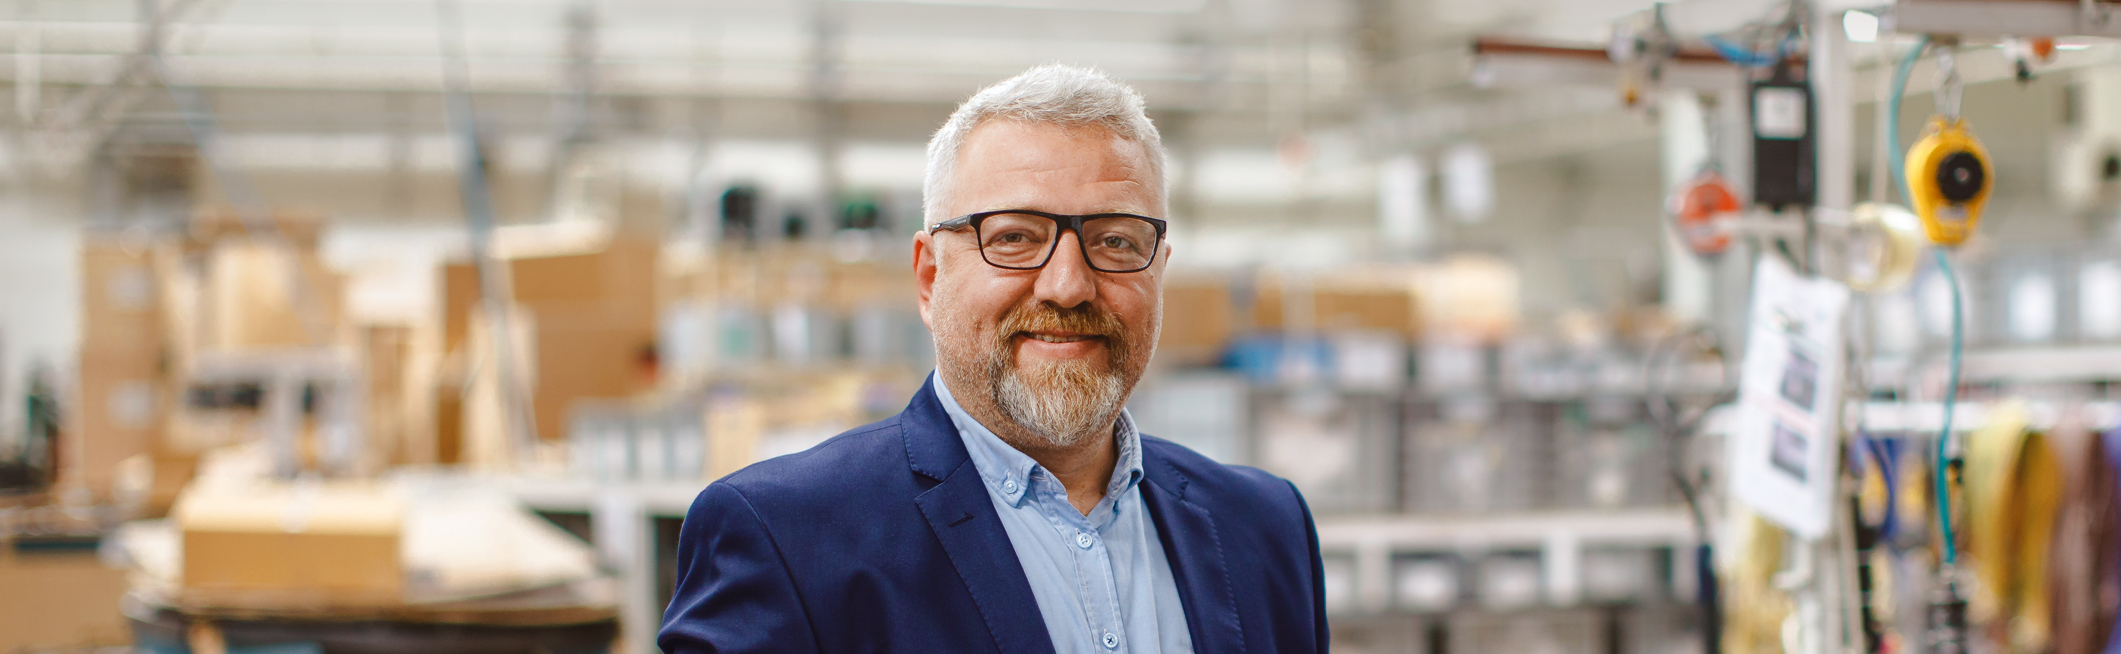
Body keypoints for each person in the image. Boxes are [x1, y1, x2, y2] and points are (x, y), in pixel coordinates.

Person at [659, 64, 1328, 654]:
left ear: (1159, 271)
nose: (1067, 285)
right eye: (1013, 237)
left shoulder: (1263, 527)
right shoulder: (786, 538)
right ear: (928, 279)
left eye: (1116, 241)